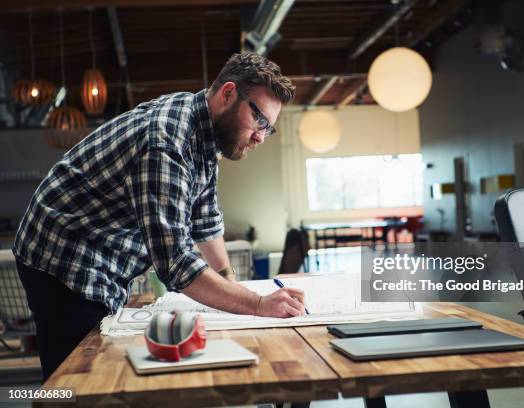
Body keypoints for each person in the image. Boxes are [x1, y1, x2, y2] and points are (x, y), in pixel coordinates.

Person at [12, 52, 306, 381]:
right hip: (63, 253)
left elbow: (205, 220)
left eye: (270, 129)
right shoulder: (166, 142)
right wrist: (257, 305)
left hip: (99, 250)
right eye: (260, 121)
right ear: (228, 94)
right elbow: (175, 262)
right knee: (78, 382)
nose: (261, 137)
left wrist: (230, 283)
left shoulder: (203, 132)